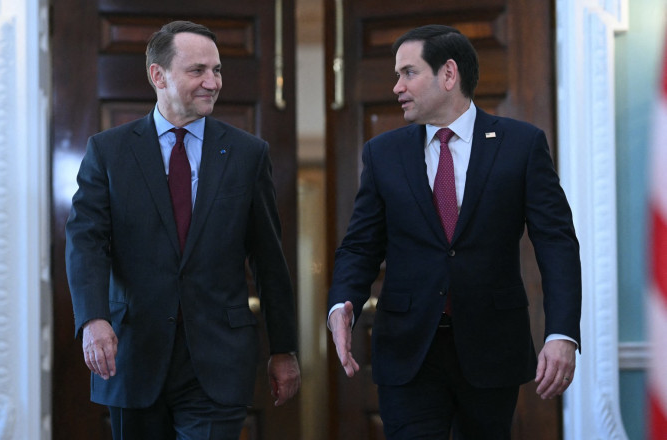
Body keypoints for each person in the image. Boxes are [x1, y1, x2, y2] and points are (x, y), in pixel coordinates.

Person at [327, 24, 581, 439]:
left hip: (491, 349)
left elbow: (557, 243)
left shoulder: (521, 145)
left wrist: (562, 332)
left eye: (408, 73)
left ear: (448, 74)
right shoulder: (383, 153)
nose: (397, 87)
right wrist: (342, 303)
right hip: (408, 351)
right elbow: (360, 246)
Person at [65, 20, 300, 439]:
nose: (213, 82)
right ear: (158, 75)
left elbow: (268, 258)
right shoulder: (109, 151)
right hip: (133, 353)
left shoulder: (247, 154)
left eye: (217, 70)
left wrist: (283, 347)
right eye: (198, 71)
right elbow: (86, 242)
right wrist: (93, 318)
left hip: (217, 358)